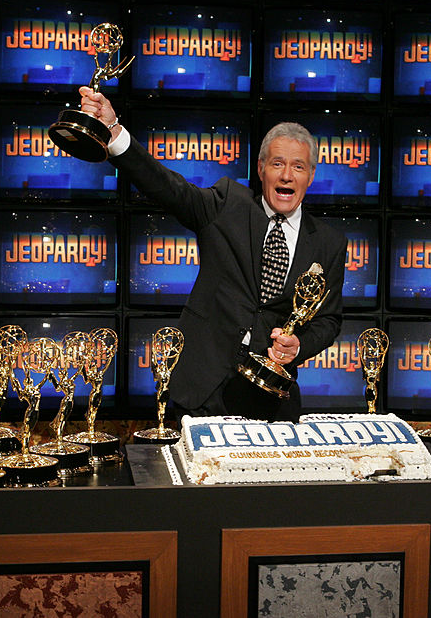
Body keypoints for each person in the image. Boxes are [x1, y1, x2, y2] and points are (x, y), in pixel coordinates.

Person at [78, 86, 347, 421]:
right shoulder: (228, 203)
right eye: (277, 163)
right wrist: (114, 132)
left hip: (270, 398)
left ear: (311, 176)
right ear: (261, 168)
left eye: (298, 166)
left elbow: (328, 320)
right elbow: (169, 189)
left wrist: (299, 346)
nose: (287, 175)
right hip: (200, 388)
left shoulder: (329, 243)